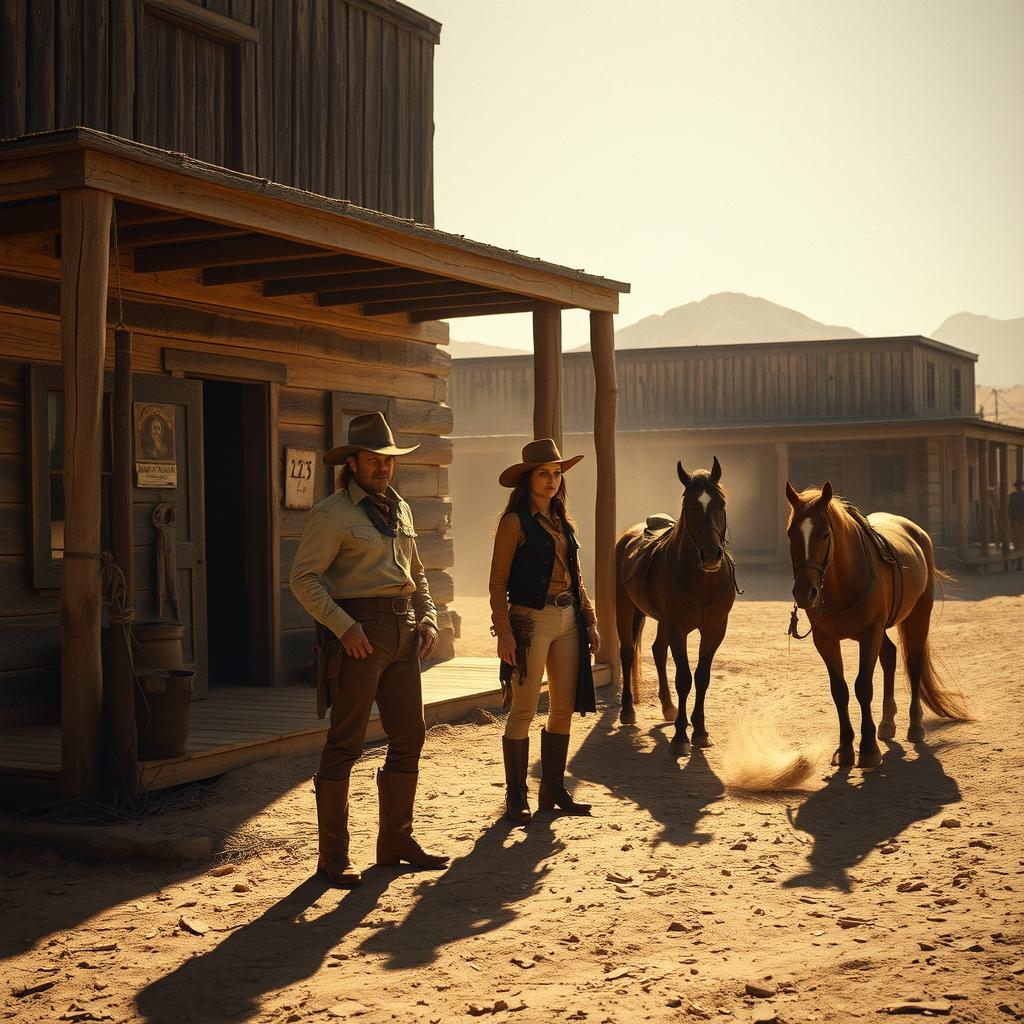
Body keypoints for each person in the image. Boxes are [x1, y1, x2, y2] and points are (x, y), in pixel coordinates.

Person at [290, 412, 449, 887]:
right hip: (359, 635)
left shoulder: (399, 508)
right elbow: (303, 579)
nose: (383, 467)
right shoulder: (331, 513)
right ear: (353, 463)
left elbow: (416, 572)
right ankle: (333, 857)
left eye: (389, 460)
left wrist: (428, 617)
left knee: (410, 735)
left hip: (403, 631)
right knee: (346, 741)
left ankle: (395, 841)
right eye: (374, 460)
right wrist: (343, 627)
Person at [489, 438, 599, 824]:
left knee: (563, 707)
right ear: (528, 479)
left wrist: (589, 618)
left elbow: (577, 575)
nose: (552, 480)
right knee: (523, 708)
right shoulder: (514, 522)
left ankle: (552, 788)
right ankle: (516, 794)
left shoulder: (563, 519)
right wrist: (503, 632)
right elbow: (497, 581)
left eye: (556, 473)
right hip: (529, 621)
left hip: (569, 621)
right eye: (543, 473)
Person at [1010, 478, 1024, 569]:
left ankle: (1018, 564)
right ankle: (1019, 564)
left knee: (1018, 544)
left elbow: (1009, 510)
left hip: (1016, 521)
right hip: (1017, 521)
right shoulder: (1013, 496)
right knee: (1019, 544)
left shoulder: (1012, 496)